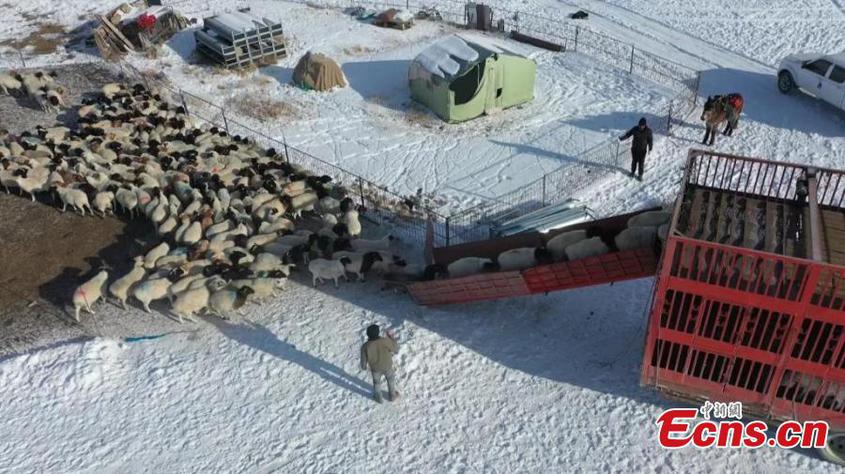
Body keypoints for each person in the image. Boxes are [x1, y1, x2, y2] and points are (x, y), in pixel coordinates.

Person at [360, 324, 399, 403]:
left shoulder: (365, 346)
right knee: (390, 380)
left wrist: (364, 366)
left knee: (376, 383)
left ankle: (378, 398)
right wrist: (391, 338)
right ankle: (392, 396)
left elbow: (363, 359)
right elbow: (396, 349)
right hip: (387, 366)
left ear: (368, 334)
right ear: (378, 333)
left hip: (375, 369)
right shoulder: (385, 341)